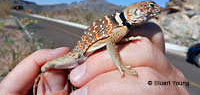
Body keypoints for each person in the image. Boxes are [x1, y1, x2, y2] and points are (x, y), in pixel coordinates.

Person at [0, 22, 189, 95]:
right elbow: (109, 44)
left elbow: (110, 41)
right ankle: (40, 78)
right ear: (135, 12)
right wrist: (121, 66)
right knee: (47, 66)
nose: (153, 11)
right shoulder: (122, 28)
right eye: (148, 8)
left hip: (83, 59)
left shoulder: (124, 29)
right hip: (78, 54)